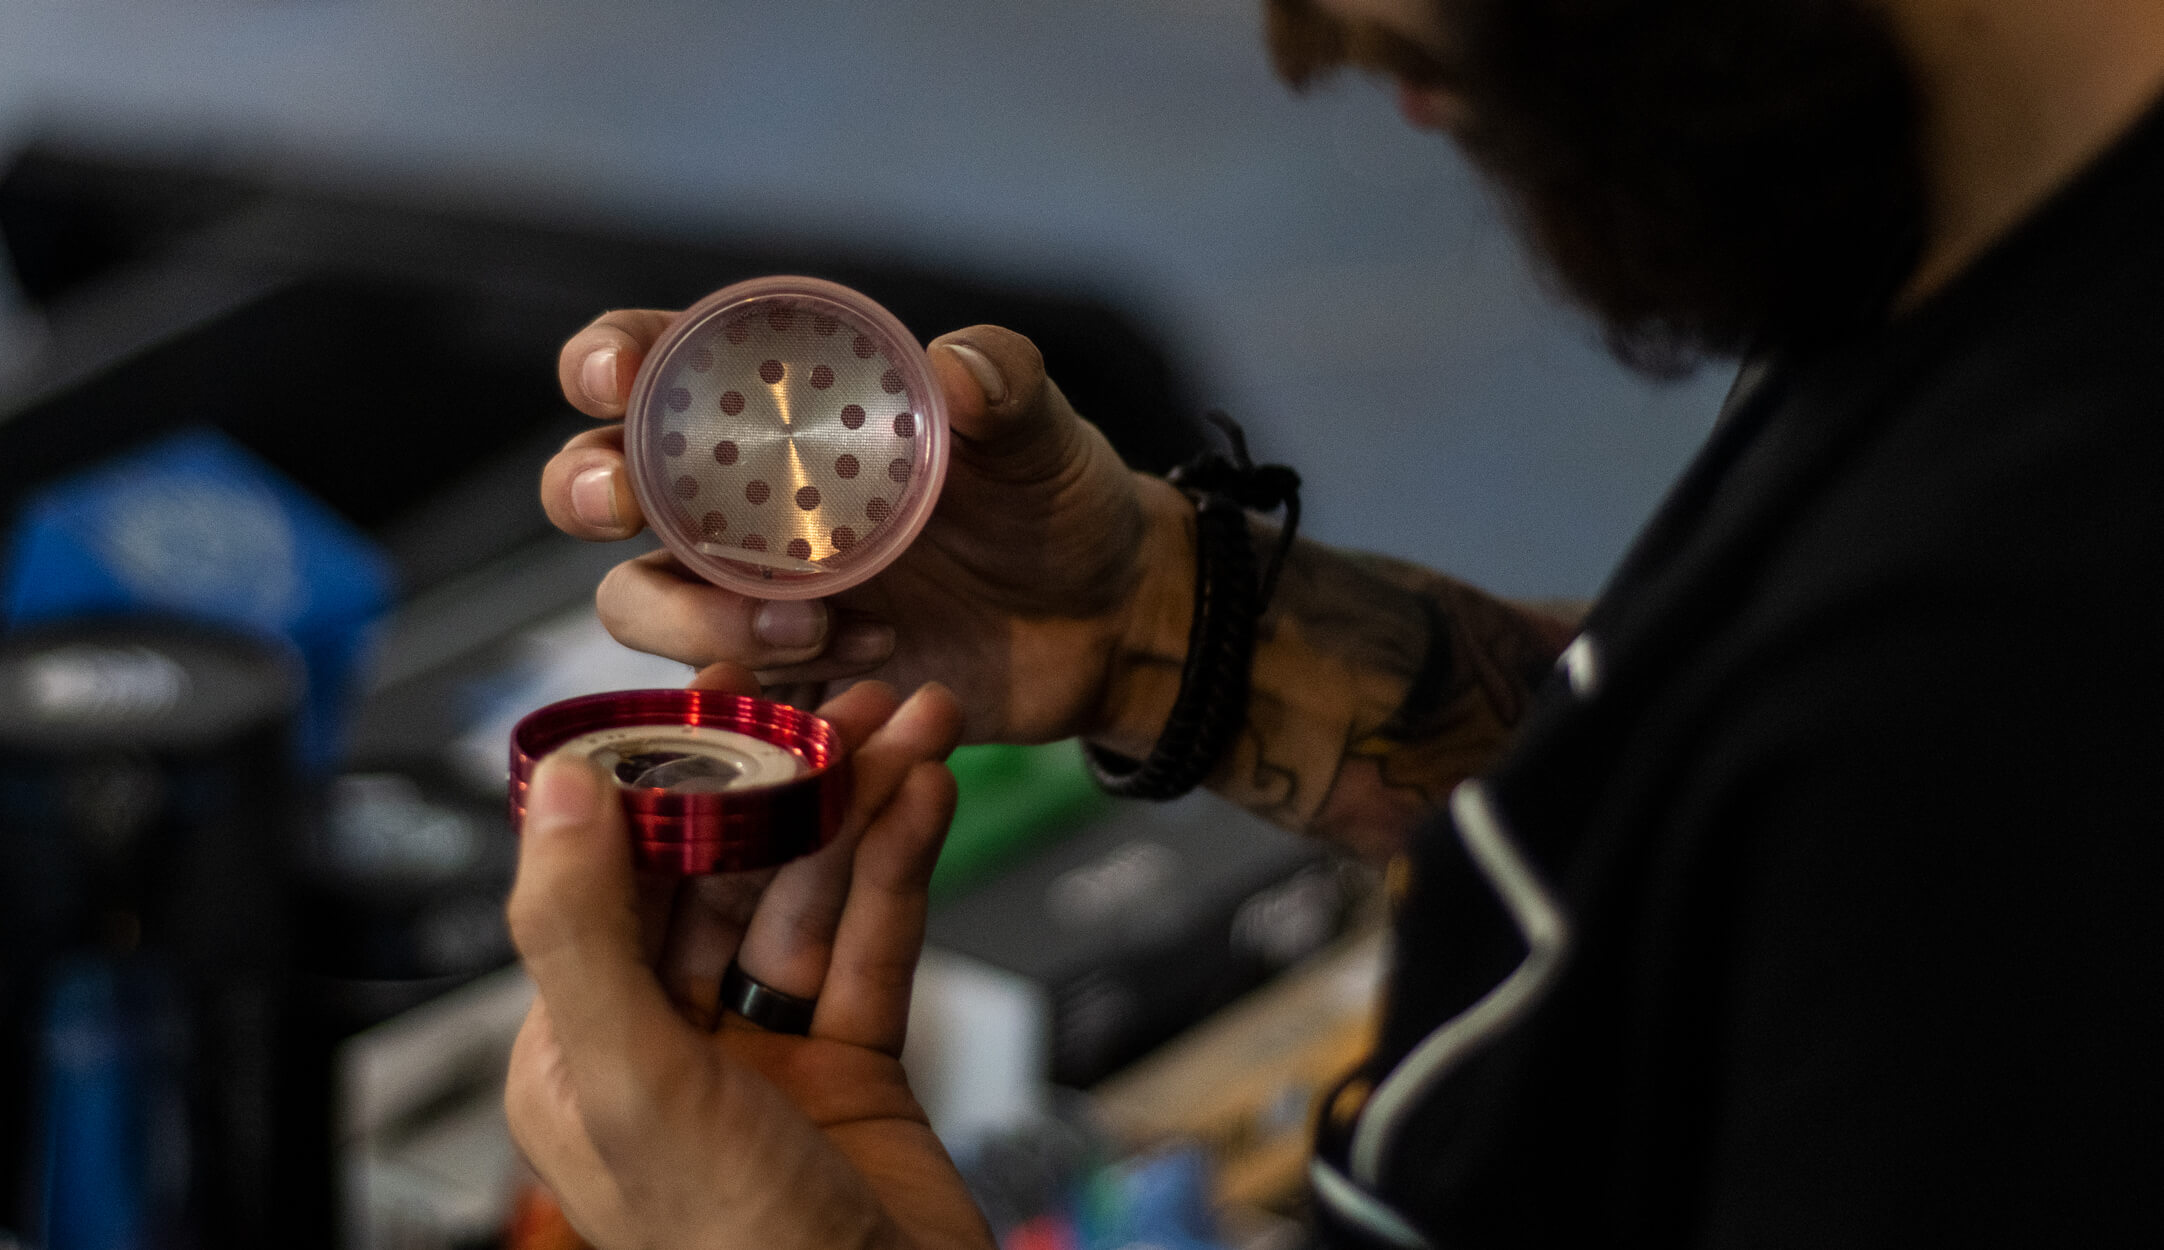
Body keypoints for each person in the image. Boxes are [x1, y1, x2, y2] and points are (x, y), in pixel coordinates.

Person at [506, 0, 2164, 1244]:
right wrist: (1162, 625)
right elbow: (1710, 811)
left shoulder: (1998, 659)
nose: (1307, 42)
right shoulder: (1984, 267)